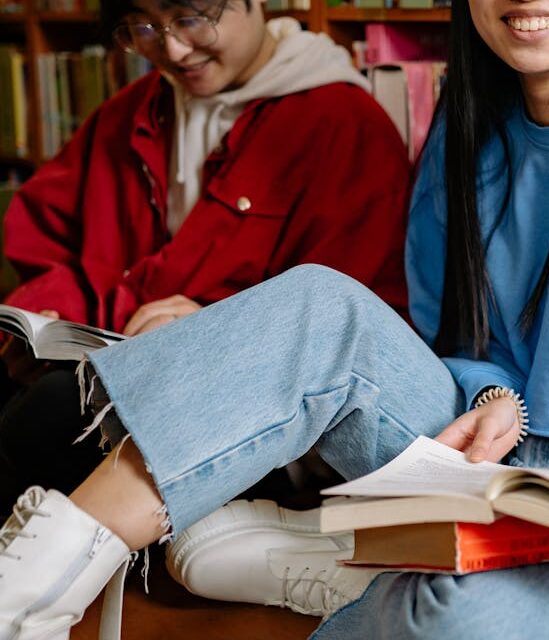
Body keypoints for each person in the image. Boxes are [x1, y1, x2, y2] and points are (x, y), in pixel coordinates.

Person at [0, 0, 549, 635]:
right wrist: (488, 401)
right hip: (484, 461)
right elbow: (449, 341)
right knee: (318, 302)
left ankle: (373, 573)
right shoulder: (466, 125)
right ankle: (30, 592)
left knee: (455, 617)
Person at [0, 0, 410, 510]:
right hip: (112, 358)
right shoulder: (138, 107)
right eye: (143, 25)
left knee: (48, 417)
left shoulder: (344, 125)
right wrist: (46, 316)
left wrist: (213, 333)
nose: (170, 48)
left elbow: (353, 330)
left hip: (249, 418)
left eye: (192, 18)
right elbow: (52, 232)